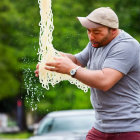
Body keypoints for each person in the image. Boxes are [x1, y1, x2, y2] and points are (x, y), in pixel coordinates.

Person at [35, 7, 140, 140]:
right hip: (100, 127)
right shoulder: (96, 43)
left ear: (113, 30)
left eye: (96, 32)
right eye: (88, 31)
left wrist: (71, 69)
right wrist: (53, 60)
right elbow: (77, 61)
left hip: (127, 129)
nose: (91, 36)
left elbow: (104, 82)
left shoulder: (127, 46)